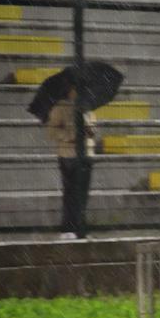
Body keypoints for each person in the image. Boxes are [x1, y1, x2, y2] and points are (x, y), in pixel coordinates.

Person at [46, 85, 96, 239]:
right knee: (70, 193)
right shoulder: (60, 107)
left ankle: (80, 229)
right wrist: (70, 136)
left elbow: (92, 130)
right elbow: (52, 131)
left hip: (86, 154)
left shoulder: (88, 107)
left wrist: (89, 128)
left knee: (82, 194)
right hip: (68, 154)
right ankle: (68, 228)